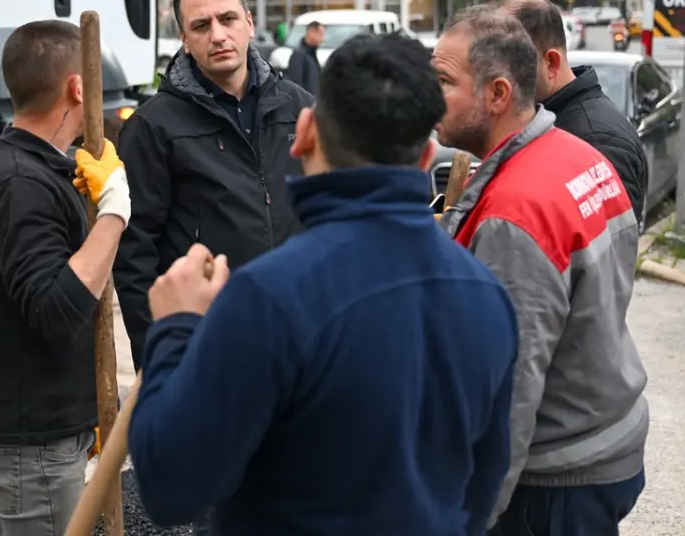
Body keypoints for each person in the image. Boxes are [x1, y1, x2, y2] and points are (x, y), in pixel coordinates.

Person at [128, 32, 520, 535]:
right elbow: (484, 485)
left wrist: (177, 329)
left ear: (305, 132)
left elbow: (171, 488)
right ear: (426, 157)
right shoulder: (486, 294)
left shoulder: (270, 298)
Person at [432, 5, 649, 536]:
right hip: (602, 437)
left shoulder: (515, 215)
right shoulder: (576, 154)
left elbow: (509, 392)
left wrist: (470, 518)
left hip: (555, 480)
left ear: (498, 94)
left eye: (443, 82)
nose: (428, 97)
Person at [114, 0, 314, 534]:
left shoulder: (298, 107)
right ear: (183, 38)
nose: (218, 34)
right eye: (200, 25)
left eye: (228, 19)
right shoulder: (154, 126)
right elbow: (135, 254)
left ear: (249, 21)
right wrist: (160, 354)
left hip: (300, 344)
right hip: (213, 350)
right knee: (224, 507)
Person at [0, 20, 132, 536]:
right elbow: (55, 310)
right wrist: (115, 209)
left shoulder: (36, 168)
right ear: (78, 87)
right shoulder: (19, 183)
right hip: (32, 437)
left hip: (46, 424)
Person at [497, 0, 649, 226]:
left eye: (508, 65)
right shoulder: (545, 118)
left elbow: (610, 240)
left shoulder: (597, 141)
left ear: (551, 63)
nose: (497, 77)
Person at [284, 20, 325, 95]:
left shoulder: (311, 54)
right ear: (311, 32)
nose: (322, 39)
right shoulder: (299, 55)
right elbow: (296, 83)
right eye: (321, 34)